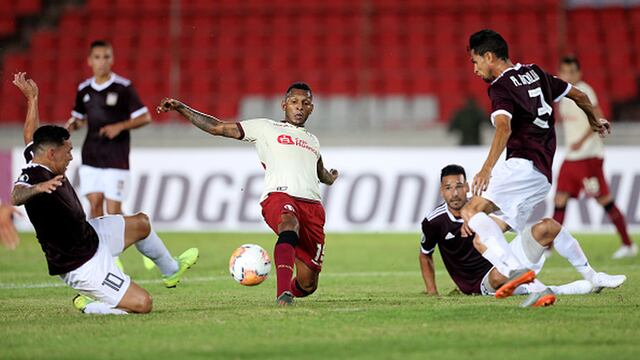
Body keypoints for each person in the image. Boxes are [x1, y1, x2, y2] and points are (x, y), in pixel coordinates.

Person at [11, 73, 198, 315]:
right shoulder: (35, 176)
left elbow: (30, 136)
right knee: (143, 304)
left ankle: (171, 270)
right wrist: (37, 189)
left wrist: (33, 99)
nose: (71, 156)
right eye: (67, 152)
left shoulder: (36, 155)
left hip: (90, 235)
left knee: (141, 223)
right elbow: (16, 195)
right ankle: (91, 306)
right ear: (51, 154)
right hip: (81, 263)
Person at [460, 29, 624, 300]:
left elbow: (503, 128)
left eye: (475, 62)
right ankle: (589, 278)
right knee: (484, 236)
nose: (475, 70)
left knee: (470, 210)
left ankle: (519, 274)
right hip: (541, 176)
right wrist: (595, 119)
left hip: (522, 165)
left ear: (489, 56)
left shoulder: (500, 86)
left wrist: (487, 168)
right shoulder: (536, 72)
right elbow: (580, 95)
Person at [157, 82, 338, 306]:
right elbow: (218, 127)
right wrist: (181, 108)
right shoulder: (265, 127)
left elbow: (320, 172)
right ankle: (283, 294)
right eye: (294, 102)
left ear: (311, 108)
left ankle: (293, 289)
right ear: (284, 105)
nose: (299, 107)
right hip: (280, 196)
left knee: (308, 283)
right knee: (288, 223)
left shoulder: (313, 141)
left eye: (305, 103)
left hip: (313, 208)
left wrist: (331, 177)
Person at [420, 165, 617, 307]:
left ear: (468, 187)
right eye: (448, 188)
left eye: (459, 186)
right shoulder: (434, 222)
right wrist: (432, 291)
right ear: (441, 191)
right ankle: (554, 289)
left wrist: (485, 223)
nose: (454, 193)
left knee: (548, 227)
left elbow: (507, 222)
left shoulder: (481, 206)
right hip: (481, 283)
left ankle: (593, 276)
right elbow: (425, 254)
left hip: (506, 261)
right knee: (500, 275)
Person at [65, 40, 153, 269]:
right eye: (97, 57)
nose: (101, 62)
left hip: (116, 158)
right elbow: (80, 118)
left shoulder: (123, 87)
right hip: (91, 156)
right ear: (89, 61)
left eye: (106, 57)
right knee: (94, 206)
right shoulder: (84, 89)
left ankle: (144, 239)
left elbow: (145, 117)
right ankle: (106, 259)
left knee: (114, 212)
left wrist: (120, 126)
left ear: (112, 60)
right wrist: (73, 124)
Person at [553, 56, 636, 259]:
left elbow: (597, 114)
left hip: (588, 157)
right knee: (560, 198)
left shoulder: (584, 90)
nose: (569, 75)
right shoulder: (563, 94)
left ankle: (628, 244)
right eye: (565, 71)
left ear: (579, 73)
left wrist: (583, 139)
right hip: (572, 157)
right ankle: (547, 248)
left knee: (603, 199)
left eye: (572, 71)